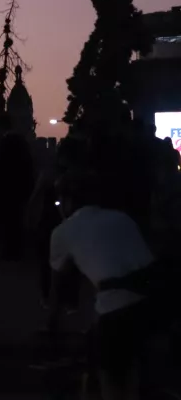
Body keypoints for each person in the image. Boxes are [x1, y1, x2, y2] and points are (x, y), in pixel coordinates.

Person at [45, 171, 156, 400]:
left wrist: (52, 322)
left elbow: (57, 285)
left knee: (110, 377)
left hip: (118, 310)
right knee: (132, 368)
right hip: (154, 300)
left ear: (68, 201)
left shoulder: (63, 231)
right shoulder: (121, 217)